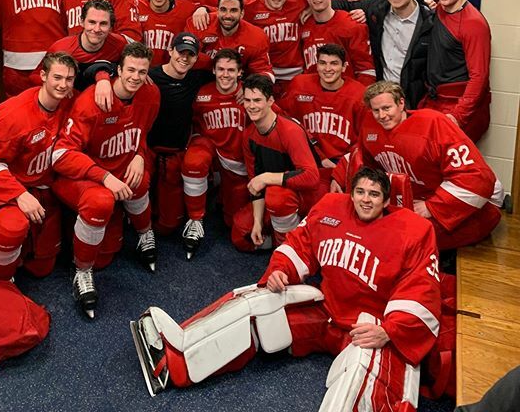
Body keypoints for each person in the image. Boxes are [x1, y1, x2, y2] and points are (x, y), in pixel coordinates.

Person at [132, 166, 441, 412]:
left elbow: (420, 290)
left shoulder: (413, 230)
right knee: (255, 301)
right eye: (359, 191)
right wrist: (281, 269)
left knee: (360, 381)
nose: (365, 199)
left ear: (387, 201)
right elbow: (300, 244)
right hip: (327, 312)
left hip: (369, 326)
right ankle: (177, 360)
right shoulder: (332, 208)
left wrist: (390, 331)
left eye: (374, 194)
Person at [51, 42, 160, 317]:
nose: (135, 77)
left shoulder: (151, 93)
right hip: (82, 176)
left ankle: (144, 233)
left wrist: (140, 154)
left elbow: (142, 134)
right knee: (101, 203)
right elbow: (62, 155)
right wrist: (104, 177)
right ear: (118, 70)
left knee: (141, 179)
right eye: (130, 70)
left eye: (142, 71)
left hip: (117, 169)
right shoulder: (92, 102)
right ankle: (82, 273)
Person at [344, 81, 503, 249]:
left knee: (405, 239)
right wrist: (339, 177)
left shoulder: (434, 123)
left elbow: (478, 179)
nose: (382, 116)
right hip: (415, 198)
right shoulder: (370, 124)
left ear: (401, 103)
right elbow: (364, 161)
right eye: (376, 110)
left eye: (386, 108)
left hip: (475, 202)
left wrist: (432, 206)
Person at [0, 52, 77, 281]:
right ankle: (2, 280)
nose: (63, 84)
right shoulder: (13, 114)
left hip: (44, 189)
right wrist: (18, 195)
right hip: (9, 188)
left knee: (42, 268)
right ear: (43, 76)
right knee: (12, 228)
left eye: (69, 79)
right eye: (57, 77)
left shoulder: (70, 102)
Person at [231, 74, 319, 251]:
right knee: (242, 234)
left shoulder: (289, 130)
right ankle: (294, 232)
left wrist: (267, 178)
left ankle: (290, 249)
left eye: (257, 100)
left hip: (310, 193)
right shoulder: (249, 135)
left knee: (277, 197)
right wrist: (257, 222)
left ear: (270, 101)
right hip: (277, 191)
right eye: (247, 100)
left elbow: (312, 177)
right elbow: (256, 184)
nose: (251, 106)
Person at [181, 48, 249, 258]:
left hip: (237, 161)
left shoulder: (249, 96)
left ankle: (220, 192)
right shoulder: (202, 94)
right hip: (209, 148)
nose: (225, 74)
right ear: (213, 70)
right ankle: (195, 219)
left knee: (233, 222)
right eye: (220, 69)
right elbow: (189, 122)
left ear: (240, 73)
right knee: (194, 161)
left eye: (230, 70)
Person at [333, 0, 434, 108]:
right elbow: (340, 4)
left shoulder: (429, 21)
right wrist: (308, 6)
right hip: (382, 96)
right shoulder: (377, 6)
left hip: (415, 101)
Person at [146, 33, 213, 235]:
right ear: (170, 51)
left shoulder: (197, 78)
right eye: (180, 52)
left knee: (168, 225)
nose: (184, 58)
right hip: (146, 152)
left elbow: (228, 73)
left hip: (175, 154)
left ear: (196, 58)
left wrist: (239, 89)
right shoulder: (149, 77)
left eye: (190, 55)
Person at [420, 0, 491, 142]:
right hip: (434, 99)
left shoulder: (473, 23)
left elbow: (479, 76)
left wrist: (458, 116)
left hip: (457, 105)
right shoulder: (438, 10)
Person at [280, 44, 366, 195]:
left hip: (340, 163)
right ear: (316, 64)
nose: (327, 69)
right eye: (323, 63)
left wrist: (341, 170)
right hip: (305, 159)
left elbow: (362, 141)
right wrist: (319, 155)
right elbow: (286, 121)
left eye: (334, 63)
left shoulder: (358, 94)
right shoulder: (299, 85)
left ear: (344, 67)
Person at [33, 0, 125, 105]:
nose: (96, 29)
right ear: (82, 21)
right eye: (92, 22)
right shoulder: (62, 48)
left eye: (103, 24)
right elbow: (35, 76)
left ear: (111, 26)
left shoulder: (119, 44)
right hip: (69, 102)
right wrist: (60, 86)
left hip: (104, 102)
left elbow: (127, 68)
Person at [301, 0, 376, 86]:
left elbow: (366, 70)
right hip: (314, 93)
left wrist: (360, 98)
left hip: (344, 93)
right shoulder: (304, 23)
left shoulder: (351, 24)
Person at [186, 0, 274, 79]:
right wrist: (209, 63)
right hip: (201, 80)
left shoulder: (256, 37)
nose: (227, 15)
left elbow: (264, 73)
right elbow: (185, 58)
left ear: (242, 13)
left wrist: (251, 89)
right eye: (223, 10)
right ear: (217, 11)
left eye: (233, 10)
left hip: (239, 84)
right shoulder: (200, 24)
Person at [244, 0, 307, 89]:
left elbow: (324, 0)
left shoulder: (299, 0)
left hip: (296, 73)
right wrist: (204, 9)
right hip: (265, 72)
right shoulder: (251, 8)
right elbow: (226, 10)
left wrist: (310, 9)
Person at [137, 0, 198, 66]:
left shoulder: (185, 8)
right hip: (142, 70)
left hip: (171, 72)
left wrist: (203, 8)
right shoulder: (136, 5)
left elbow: (216, 11)